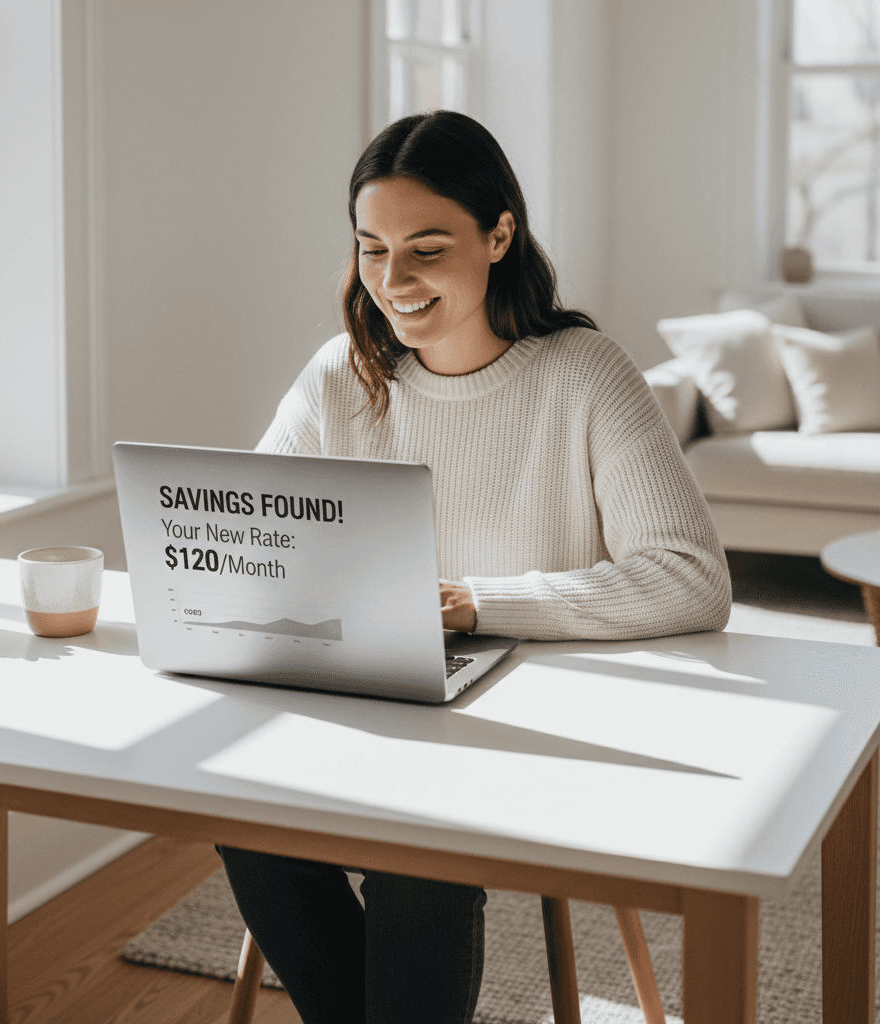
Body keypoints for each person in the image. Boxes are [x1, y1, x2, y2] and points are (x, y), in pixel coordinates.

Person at [217, 110, 731, 1024]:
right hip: (368, 707)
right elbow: (256, 541)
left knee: (420, 857)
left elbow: (691, 576)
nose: (392, 280)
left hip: (526, 726)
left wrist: (471, 603)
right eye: (372, 248)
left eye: (425, 247)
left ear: (500, 235)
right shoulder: (341, 375)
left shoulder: (584, 373)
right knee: (245, 819)